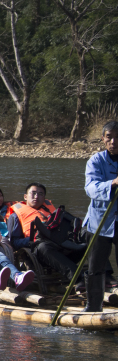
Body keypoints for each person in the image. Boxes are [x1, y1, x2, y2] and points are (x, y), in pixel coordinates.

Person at [7, 182, 80, 285]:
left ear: (44, 197)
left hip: (60, 247)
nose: (36, 196)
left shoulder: (53, 213)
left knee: (85, 240)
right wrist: (35, 238)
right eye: (33, 193)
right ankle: (78, 277)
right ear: (25, 196)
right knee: (44, 247)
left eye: (40, 194)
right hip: (38, 251)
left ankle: (101, 275)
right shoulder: (15, 216)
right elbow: (14, 242)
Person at [82, 120, 118, 312]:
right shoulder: (96, 160)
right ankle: (93, 306)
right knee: (95, 267)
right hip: (99, 222)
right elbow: (90, 188)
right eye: (109, 137)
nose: (113, 142)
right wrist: (112, 183)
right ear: (103, 139)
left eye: (117, 137)